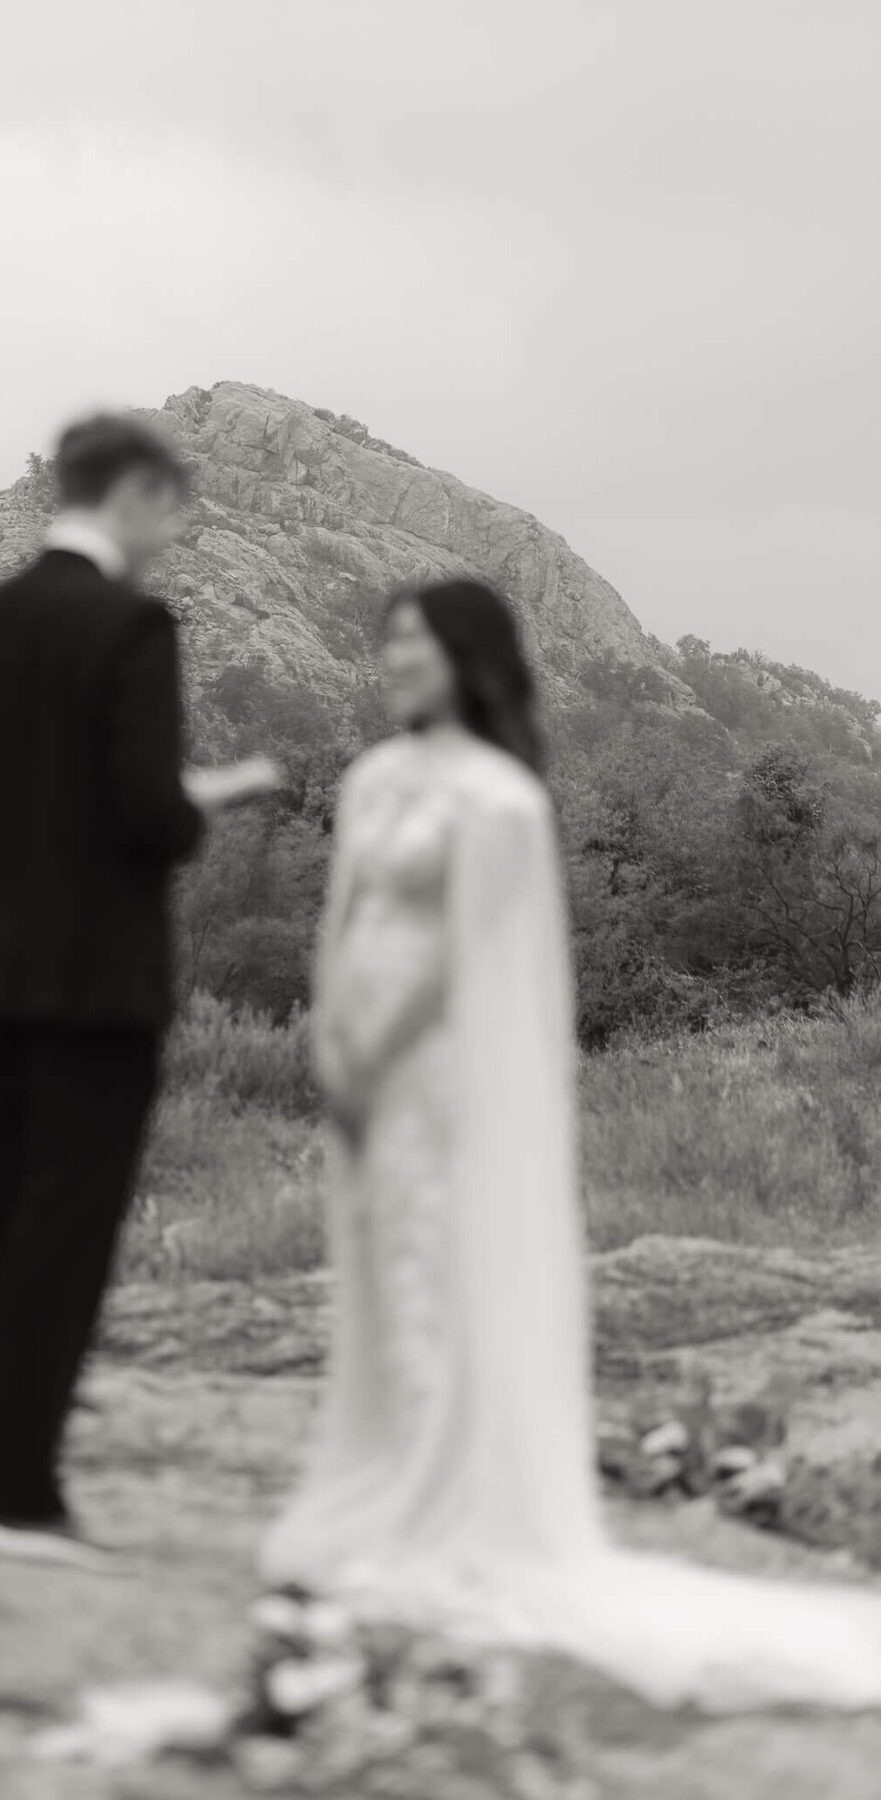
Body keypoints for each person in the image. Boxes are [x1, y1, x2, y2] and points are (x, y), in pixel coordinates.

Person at [259, 577, 881, 1711]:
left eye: (415, 643)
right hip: (353, 1051)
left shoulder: (500, 799)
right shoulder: (375, 776)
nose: (395, 658)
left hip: (437, 1068)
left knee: (436, 1267)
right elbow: (342, 917)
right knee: (376, 1268)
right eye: (387, 641)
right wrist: (329, 1038)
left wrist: (380, 1048)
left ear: (467, 657)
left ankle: (446, 1505)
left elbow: (470, 955)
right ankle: (382, 1476)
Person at [0, 413, 282, 1568]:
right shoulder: (132, 626)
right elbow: (149, 816)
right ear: (133, 493)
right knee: (64, 1224)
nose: (173, 533)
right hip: (99, 978)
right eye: (172, 509)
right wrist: (211, 796)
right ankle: (19, 1495)